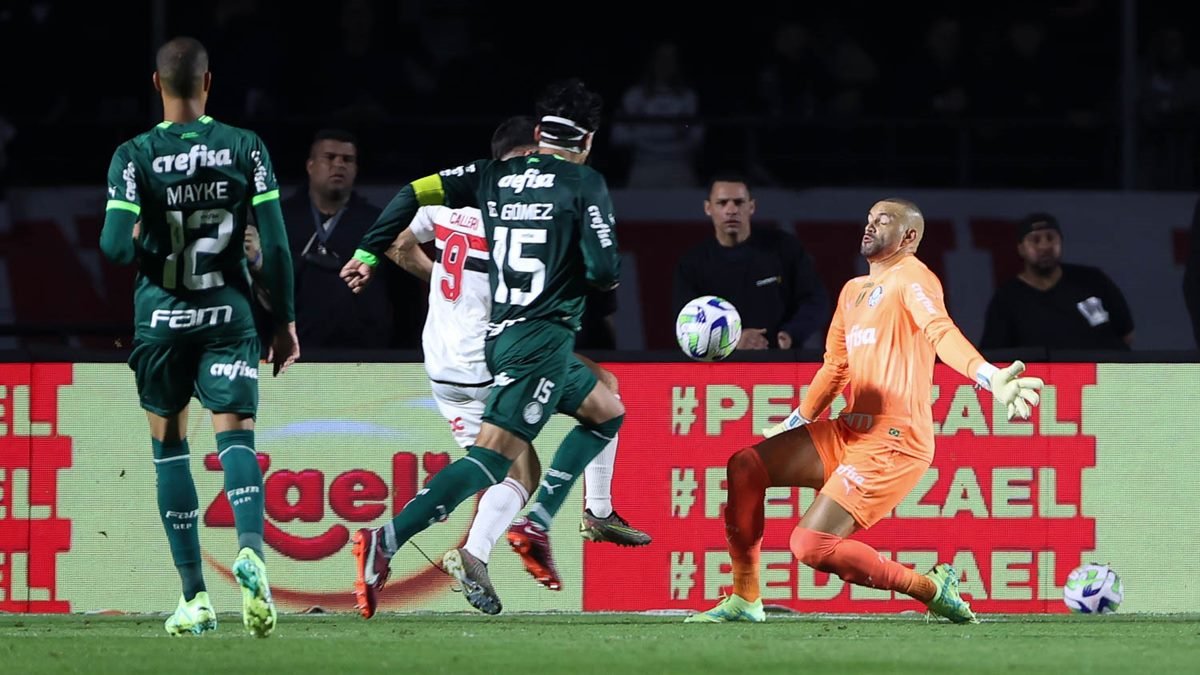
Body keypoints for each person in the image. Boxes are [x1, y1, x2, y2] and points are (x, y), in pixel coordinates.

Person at [340, 78, 625, 620]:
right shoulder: (580, 185)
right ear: (585, 141)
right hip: (517, 345)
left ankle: (504, 539)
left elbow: (405, 218)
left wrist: (369, 254)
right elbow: (605, 271)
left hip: (453, 357)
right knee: (497, 462)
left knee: (603, 402)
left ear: (540, 136)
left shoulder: (485, 181)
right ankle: (393, 539)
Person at [685, 198, 1043, 624]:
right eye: (870, 219)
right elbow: (835, 368)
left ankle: (929, 587)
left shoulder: (912, 277)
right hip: (851, 431)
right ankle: (745, 599)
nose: (870, 226)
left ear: (909, 237)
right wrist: (797, 419)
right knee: (745, 467)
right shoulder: (853, 292)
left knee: (811, 546)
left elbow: (940, 330)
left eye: (884, 220)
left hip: (896, 441)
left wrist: (987, 376)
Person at [98, 37, 298, 637]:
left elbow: (111, 247)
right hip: (227, 316)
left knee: (170, 447)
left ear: (156, 85)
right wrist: (283, 322)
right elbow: (279, 248)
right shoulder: (245, 147)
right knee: (235, 439)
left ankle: (195, 598)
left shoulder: (133, 155)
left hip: (161, 320)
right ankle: (251, 551)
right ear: (208, 82)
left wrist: (142, 237)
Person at [274, 128, 416, 349]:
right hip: (296, 348)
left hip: (367, 352)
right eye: (330, 157)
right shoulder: (280, 220)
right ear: (310, 166)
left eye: (347, 160)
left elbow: (404, 297)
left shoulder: (379, 224)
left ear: (355, 169)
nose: (339, 164)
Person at [674, 176, 827, 350]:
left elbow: (815, 301)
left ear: (751, 207)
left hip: (781, 361)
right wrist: (734, 340)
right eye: (722, 203)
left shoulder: (784, 248)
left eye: (739, 202)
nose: (731, 210)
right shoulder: (693, 263)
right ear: (708, 208)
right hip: (721, 368)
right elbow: (686, 322)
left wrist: (790, 334)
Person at [981, 212, 1134, 351]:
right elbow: (995, 354)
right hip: (1043, 381)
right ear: (1021, 249)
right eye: (1035, 240)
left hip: (1100, 378)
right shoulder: (1007, 298)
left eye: (1050, 238)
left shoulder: (1093, 280)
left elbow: (1126, 334)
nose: (1045, 246)